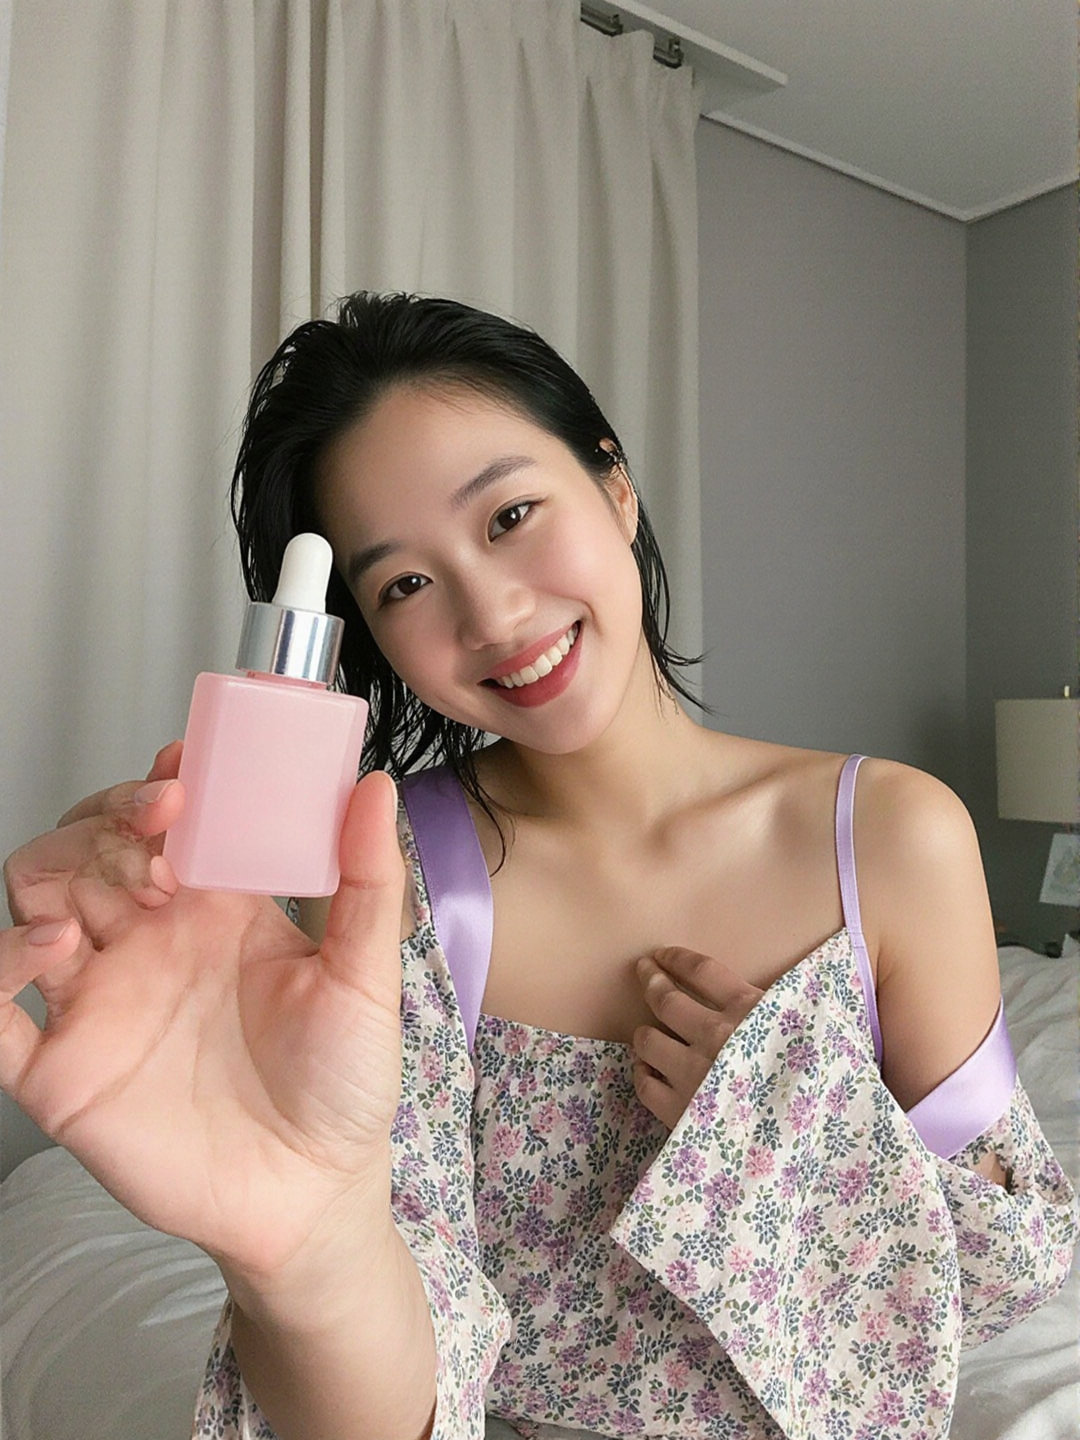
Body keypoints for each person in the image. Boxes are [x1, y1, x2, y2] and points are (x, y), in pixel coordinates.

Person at [2, 292, 1076, 1440]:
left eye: (510, 514)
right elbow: (401, 1372)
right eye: (404, 584)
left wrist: (789, 1123)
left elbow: (1002, 1271)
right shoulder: (391, 879)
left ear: (615, 486)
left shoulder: (893, 836)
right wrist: (295, 1250)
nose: (494, 612)